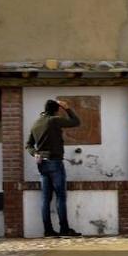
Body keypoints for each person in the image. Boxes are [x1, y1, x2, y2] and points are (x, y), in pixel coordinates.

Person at [26, 99, 82, 237]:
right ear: (56, 110)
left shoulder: (36, 123)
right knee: (61, 197)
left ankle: (48, 230)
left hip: (42, 164)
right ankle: (64, 229)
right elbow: (76, 121)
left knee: (46, 199)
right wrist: (67, 108)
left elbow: (28, 145)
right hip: (55, 162)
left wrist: (35, 153)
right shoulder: (54, 120)